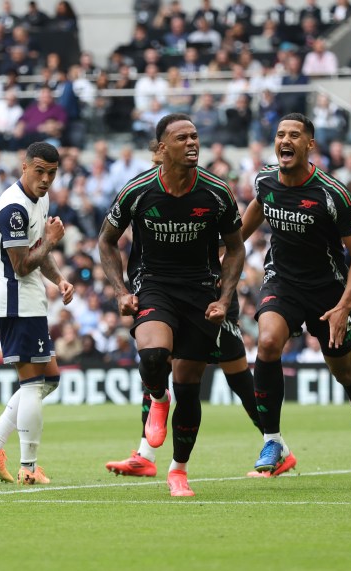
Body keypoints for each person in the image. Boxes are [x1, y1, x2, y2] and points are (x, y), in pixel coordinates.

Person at [98, 114, 245, 496]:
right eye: (182, 138)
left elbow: (236, 245)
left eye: (195, 136)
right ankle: (158, 399)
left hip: (201, 291)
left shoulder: (216, 191)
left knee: (190, 386)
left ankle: (178, 471)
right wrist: (120, 290)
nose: (192, 143)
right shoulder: (138, 190)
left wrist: (225, 297)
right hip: (154, 286)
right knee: (153, 356)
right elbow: (106, 241)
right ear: (162, 149)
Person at [240, 113, 351, 476]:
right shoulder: (265, 180)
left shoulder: (331, 193)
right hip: (282, 281)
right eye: (280, 134)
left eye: (295, 135)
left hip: (328, 292)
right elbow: (252, 215)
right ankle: (272, 440)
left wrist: (344, 306)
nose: (285, 140)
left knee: (344, 371)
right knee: (268, 343)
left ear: (309, 144)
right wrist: (222, 252)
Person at [0, 142, 73, 486]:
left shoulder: (39, 199)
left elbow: (37, 251)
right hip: (15, 303)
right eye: (40, 171)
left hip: (30, 302)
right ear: (24, 166)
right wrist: (52, 239)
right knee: (32, 384)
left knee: (51, 379)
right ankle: (28, 467)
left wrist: (59, 280)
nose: (46, 180)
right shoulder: (12, 209)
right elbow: (23, 263)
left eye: (52, 173)